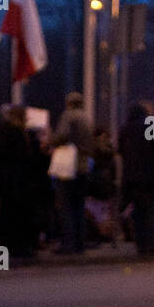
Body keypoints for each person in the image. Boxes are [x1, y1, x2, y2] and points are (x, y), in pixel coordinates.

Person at [0, 105, 36, 258]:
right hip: (15, 181)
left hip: (8, 181)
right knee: (15, 215)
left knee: (8, 214)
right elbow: (23, 158)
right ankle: (16, 248)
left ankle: (5, 251)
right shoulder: (16, 133)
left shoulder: (5, 132)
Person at [119, 101, 154, 256]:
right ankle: (152, 245)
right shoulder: (149, 123)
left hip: (132, 178)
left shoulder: (126, 128)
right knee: (151, 212)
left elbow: (120, 151)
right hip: (150, 176)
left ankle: (141, 246)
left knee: (138, 213)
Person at [50, 91, 92, 254]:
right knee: (79, 206)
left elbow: (62, 135)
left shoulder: (69, 116)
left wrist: (51, 140)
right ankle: (80, 242)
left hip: (68, 167)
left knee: (66, 206)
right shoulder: (87, 118)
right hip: (83, 166)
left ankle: (68, 243)